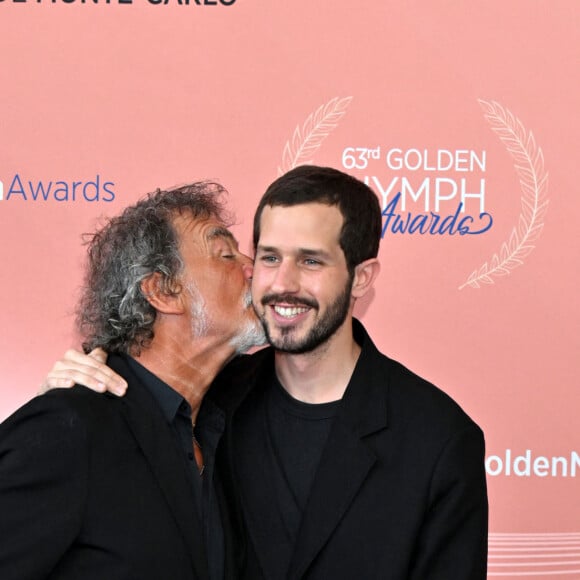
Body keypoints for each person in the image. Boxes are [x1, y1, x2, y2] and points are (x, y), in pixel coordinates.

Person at [42, 166, 488, 579]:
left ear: (362, 278)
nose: (282, 284)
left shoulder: (438, 439)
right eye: (270, 258)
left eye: (311, 261)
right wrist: (68, 396)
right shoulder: (206, 402)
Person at [0, 183, 265, 580]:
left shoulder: (222, 434)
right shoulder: (68, 427)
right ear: (162, 291)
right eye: (226, 254)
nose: (253, 267)